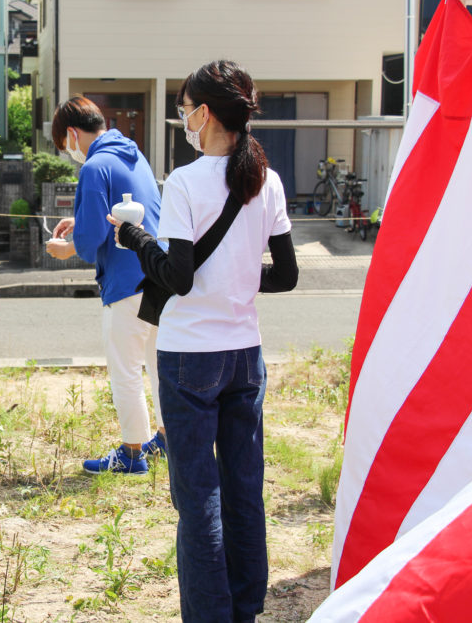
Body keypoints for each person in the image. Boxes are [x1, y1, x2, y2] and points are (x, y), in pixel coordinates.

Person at [108, 61, 298, 622]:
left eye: (186, 107)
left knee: (198, 501)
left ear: (205, 113)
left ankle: (209, 614)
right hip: (245, 356)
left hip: (190, 357)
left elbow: (178, 276)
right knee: (244, 489)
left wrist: (135, 237)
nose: (183, 118)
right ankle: (245, 607)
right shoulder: (268, 179)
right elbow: (285, 274)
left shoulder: (187, 180)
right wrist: (240, 281)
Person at [45, 96, 166, 475]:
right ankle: (166, 437)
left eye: (64, 145)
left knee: (125, 368)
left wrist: (66, 250)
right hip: (158, 276)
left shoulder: (94, 165)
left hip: (126, 285)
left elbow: (93, 235)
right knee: (156, 362)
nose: (69, 152)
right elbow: (114, 213)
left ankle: (131, 454)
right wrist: (77, 223)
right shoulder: (134, 155)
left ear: (71, 133)